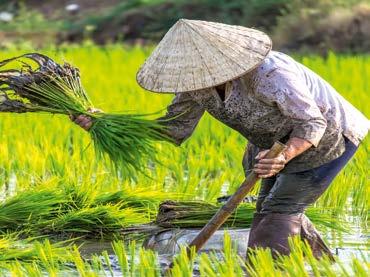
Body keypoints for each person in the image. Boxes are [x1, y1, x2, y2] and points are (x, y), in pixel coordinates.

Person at [72, 19, 369, 259]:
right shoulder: (193, 86)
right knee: (268, 210)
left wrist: (283, 156)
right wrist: (103, 124)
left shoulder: (270, 74)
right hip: (269, 143)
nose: (197, 78)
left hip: (328, 136)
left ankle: (265, 268)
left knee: (278, 213)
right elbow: (173, 129)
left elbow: (312, 121)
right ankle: (320, 263)